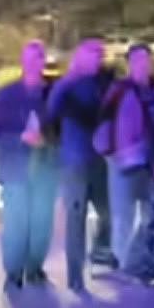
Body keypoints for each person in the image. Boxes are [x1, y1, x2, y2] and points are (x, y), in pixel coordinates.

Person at [0, 40, 59, 292]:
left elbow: (64, 130)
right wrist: (20, 139)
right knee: (16, 223)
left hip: (46, 167)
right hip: (15, 168)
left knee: (42, 223)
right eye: (29, 59)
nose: (33, 64)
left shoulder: (53, 95)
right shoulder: (5, 95)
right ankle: (14, 272)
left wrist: (47, 140)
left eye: (38, 59)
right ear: (22, 62)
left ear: (43, 62)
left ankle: (35, 268)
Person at [47, 37, 115, 292]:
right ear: (81, 57)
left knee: (109, 211)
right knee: (76, 219)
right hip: (73, 161)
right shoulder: (67, 85)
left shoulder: (103, 83)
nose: (98, 59)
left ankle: (99, 250)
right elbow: (49, 117)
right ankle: (75, 275)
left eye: (100, 55)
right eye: (93, 54)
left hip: (98, 160)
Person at [102, 43, 154, 276]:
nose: (142, 65)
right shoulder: (118, 90)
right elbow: (104, 122)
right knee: (123, 216)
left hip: (152, 162)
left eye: (145, 60)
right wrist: (111, 153)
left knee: (152, 214)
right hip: (122, 161)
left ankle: (142, 261)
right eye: (137, 60)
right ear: (129, 64)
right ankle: (122, 264)